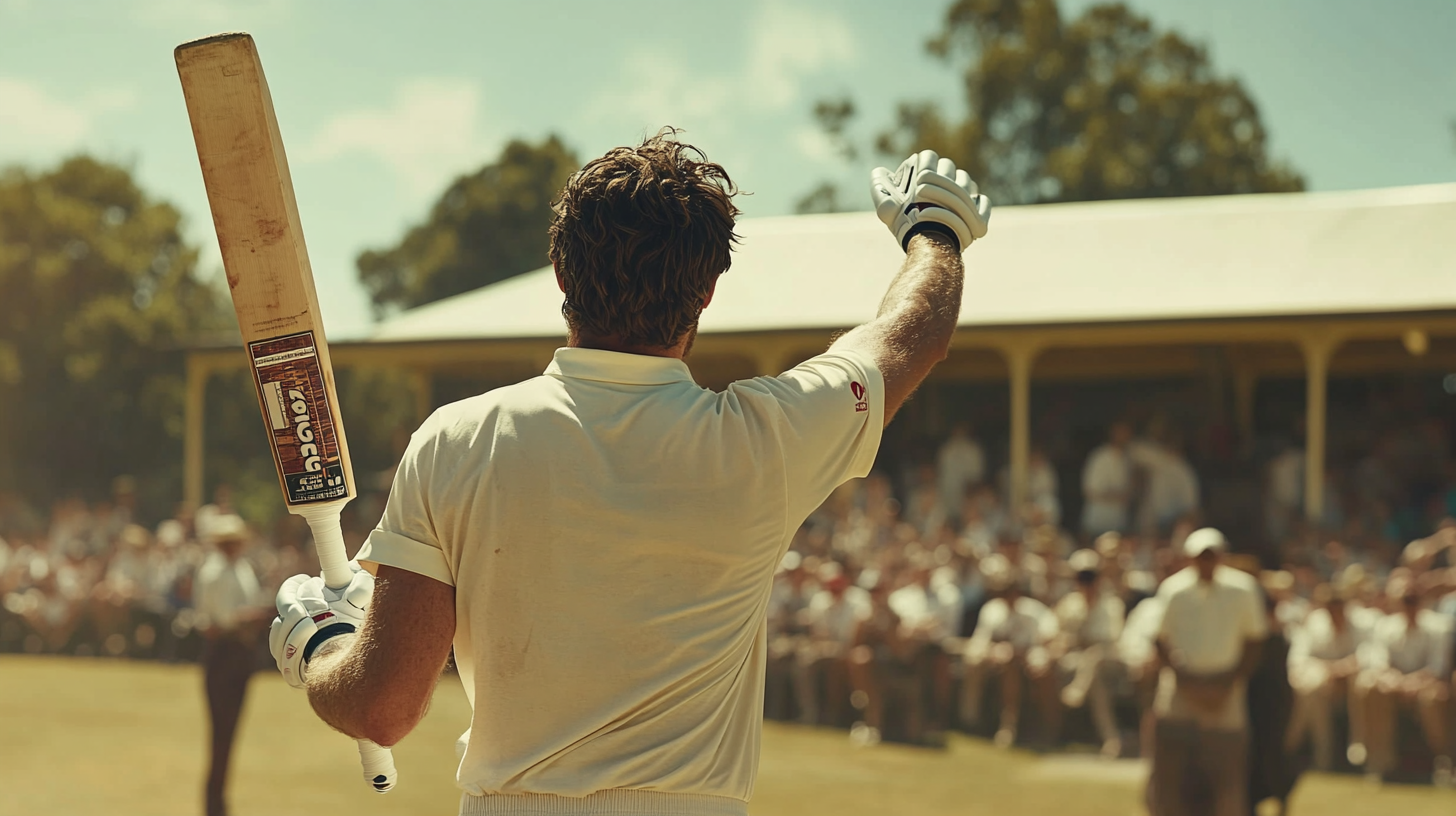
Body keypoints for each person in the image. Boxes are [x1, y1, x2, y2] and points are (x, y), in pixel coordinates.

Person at [265, 136, 990, 814]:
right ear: (707, 290)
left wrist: (323, 647)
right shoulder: (765, 443)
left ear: (560, 275)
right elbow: (909, 335)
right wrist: (935, 233)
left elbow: (382, 708)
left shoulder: (458, 439)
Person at [1147, 528, 1267, 816]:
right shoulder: (1173, 589)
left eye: (1212, 556)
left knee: (1226, 772)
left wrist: (1226, 683)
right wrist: (1187, 681)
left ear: (1222, 556)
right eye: (1201, 557)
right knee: (1170, 771)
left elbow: (1254, 641)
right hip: (1180, 686)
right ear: (1190, 558)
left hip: (1227, 687)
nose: (1207, 562)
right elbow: (1160, 639)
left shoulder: (1243, 588)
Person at [194, 515, 268, 816]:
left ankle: (219, 802)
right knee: (221, 733)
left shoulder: (241, 567)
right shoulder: (214, 573)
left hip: (241, 653)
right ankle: (214, 804)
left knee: (229, 733)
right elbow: (225, 619)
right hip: (224, 652)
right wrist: (260, 613)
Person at [1352, 576, 1452, 785]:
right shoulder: (1385, 626)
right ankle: (1380, 762)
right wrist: (1398, 683)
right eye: (1405, 600)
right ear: (1395, 602)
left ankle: (1445, 761)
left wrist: (1412, 683)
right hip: (1395, 687)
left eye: (1413, 599)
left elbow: (1438, 667)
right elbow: (1379, 664)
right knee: (1368, 686)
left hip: (1426, 687)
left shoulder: (1439, 626)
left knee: (1433, 697)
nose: (1410, 605)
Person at [960, 553, 1057, 748]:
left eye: (1011, 592)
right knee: (974, 661)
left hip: (1030, 661)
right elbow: (980, 642)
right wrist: (995, 651)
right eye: (1004, 592)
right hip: (997, 662)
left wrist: (1027, 653)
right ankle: (970, 718)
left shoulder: (1034, 611)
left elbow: (1051, 639)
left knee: (1031, 669)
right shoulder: (992, 609)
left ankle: (1040, 728)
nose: (1008, 597)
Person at [1053, 548, 1126, 758]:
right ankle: (1111, 739)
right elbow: (1057, 636)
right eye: (1082, 577)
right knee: (1094, 678)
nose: (1086, 583)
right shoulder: (1068, 604)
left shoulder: (1112, 604)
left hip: (1109, 663)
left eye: (1090, 577)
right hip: (1076, 663)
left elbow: (1110, 641)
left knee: (1094, 658)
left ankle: (1078, 690)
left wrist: (1080, 640)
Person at [1284, 584, 1365, 771]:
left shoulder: (1360, 621)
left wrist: (1338, 670)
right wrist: (1329, 671)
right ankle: (1321, 754)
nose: (1335, 611)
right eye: (1331, 606)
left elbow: (1367, 656)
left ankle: (1293, 745)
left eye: (1339, 605)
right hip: (1320, 682)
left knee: (1356, 683)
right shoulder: (1314, 621)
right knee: (1312, 689)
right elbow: (1298, 658)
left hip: (1351, 683)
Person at [1082, 422, 1134, 538]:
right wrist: (1117, 496)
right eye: (1121, 432)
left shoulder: (1127, 459)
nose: (1124, 436)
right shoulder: (1099, 457)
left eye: (1127, 433)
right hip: (1098, 522)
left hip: (1118, 522)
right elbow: (1090, 491)